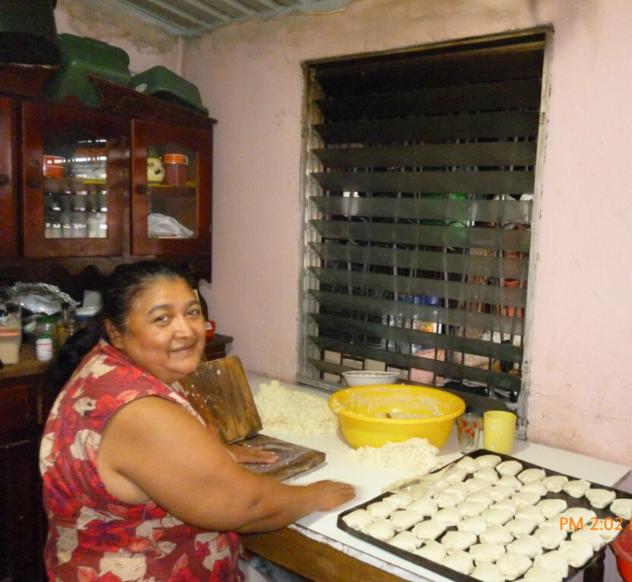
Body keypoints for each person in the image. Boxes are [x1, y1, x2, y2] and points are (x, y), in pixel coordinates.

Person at [39, 261, 355, 581]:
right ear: (116, 332)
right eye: (162, 318)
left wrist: (206, 455)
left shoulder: (107, 368)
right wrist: (312, 496)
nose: (186, 330)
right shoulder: (140, 412)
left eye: (192, 312)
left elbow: (138, 460)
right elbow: (245, 506)